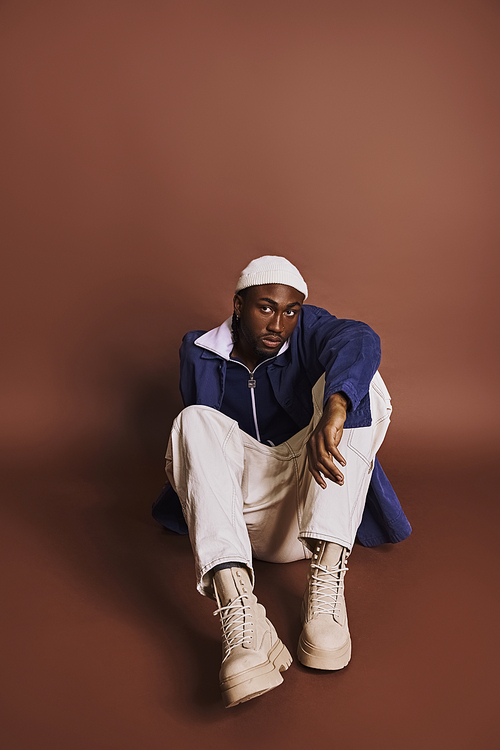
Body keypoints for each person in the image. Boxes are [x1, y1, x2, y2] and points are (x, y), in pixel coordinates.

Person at [152, 256, 411, 708]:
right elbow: (208, 458)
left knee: (362, 387)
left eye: (291, 311)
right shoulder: (200, 352)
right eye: (266, 308)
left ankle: (326, 592)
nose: (279, 322)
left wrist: (334, 406)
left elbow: (360, 337)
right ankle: (243, 618)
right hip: (245, 519)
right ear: (238, 305)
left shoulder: (308, 331)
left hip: (313, 500)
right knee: (193, 420)